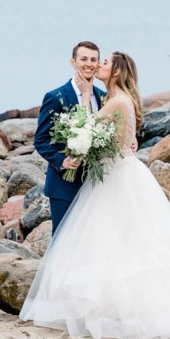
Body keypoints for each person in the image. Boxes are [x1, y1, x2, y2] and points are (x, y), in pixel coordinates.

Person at [21, 51, 170, 339]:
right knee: (117, 239)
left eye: (104, 62)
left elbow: (87, 127)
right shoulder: (118, 98)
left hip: (116, 175)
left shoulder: (115, 100)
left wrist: (85, 97)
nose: (98, 65)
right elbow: (121, 137)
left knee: (119, 239)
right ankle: (105, 307)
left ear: (116, 72)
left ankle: (117, 310)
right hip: (116, 171)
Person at [34, 41, 106, 231]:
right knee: (62, 237)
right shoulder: (55, 97)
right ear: (73, 62)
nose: (89, 64)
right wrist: (62, 161)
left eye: (93, 59)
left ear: (98, 64)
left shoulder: (103, 97)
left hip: (95, 184)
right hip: (63, 185)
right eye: (84, 59)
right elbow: (41, 140)